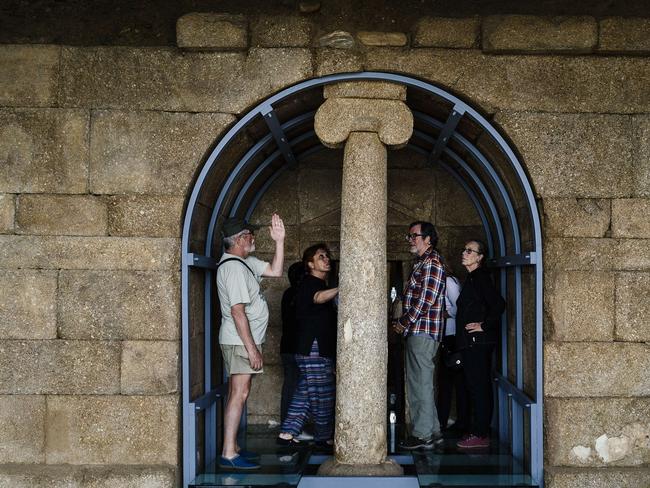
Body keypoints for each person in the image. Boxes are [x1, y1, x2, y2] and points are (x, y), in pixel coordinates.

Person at [216, 214, 285, 470]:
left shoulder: (244, 263)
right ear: (240, 239)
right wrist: (252, 348)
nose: (253, 238)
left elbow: (276, 271)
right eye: (250, 235)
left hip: (243, 341)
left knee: (240, 392)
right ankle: (229, 453)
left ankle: (233, 448)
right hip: (239, 342)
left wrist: (280, 241)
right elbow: (237, 312)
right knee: (239, 393)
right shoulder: (233, 268)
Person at [277, 244, 338, 447]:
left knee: (307, 391)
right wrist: (344, 287)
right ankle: (323, 436)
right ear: (310, 264)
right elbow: (318, 298)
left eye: (327, 255)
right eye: (321, 256)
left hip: (314, 348)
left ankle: (288, 433)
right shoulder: (310, 283)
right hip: (313, 348)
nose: (326, 259)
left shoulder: (319, 283)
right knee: (322, 393)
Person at [392, 221, 446, 450]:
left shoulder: (432, 262)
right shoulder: (422, 263)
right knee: (421, 382)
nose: (410, 240)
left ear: (428, 239)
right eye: (410, 235)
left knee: (419, 384)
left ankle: (422, 435)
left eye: (414, 235)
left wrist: (404, 323)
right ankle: (432, 431)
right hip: (420, 331)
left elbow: (426, 300)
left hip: (423, 331)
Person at [455, 239, 505, 450]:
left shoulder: (481, 277)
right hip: (471, 343)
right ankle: (476, 429)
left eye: (470, 251)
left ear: (480, 257)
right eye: (464, 249)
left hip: (478, 342)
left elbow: (499, 304)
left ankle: (481, 433)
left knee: (479, 386)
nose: (464, 253)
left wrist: (484, 325)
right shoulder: (473, 278)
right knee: (474, 386)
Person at [279, 261, 313, 441]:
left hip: (287, 346)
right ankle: (291, 428)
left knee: (290, 386)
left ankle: (289, 426)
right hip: (298, 347)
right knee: (299, 388)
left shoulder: (287, 294)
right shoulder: (301, 294)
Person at [436, 263, 469, 434]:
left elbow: (458, 309)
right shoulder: (446, 280)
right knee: (447, 382)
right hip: (447, 336)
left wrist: (440, 314)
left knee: (451, 381)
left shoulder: (448, 281)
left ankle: (453, 422)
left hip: (452, 336)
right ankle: (443, 421)